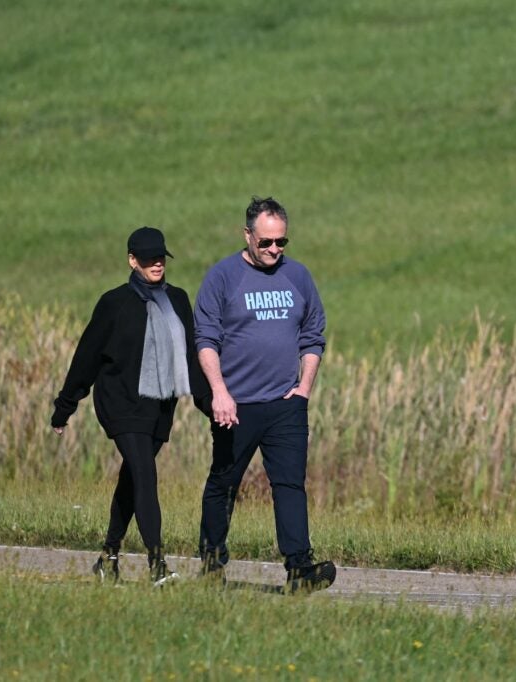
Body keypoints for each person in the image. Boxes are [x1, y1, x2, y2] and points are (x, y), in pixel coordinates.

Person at [51, 226, 209, 586]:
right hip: (120, 402)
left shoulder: (179, 301)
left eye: (160, 258)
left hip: (159, 407)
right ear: (131, 260)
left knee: (133, 478)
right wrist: (65, 407)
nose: (156, 264)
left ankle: (108, 556)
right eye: (148, 258)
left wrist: (213, 405)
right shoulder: (114, 303)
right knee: (145, 475)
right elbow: (87, 357)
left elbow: (190, 358)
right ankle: (157, 564)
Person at [194, 195, 335, 594]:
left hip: (285, 404)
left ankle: (299, 569)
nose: (274, 250)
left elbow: (313, 335)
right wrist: (219, 392)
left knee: (289, 484)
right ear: (248, 236)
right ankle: (210, 564)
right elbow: (205, 338)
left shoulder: (299, 277)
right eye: (266, 242)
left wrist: (304, 388)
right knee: (223, 484)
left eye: (281, 242)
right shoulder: (222, 277)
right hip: (235, 405)